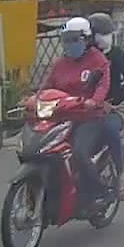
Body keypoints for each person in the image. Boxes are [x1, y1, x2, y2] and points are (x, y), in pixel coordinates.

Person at [42, 17, 111, 201]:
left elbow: (102, 85)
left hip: (89, 118)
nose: (69, 44)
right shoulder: (60, 64)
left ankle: (97, 192)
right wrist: (33, 99)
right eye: (66, 40)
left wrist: (93, 101)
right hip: (61, 117)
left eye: (74, 39)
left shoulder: (98, 60)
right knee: (41, 151)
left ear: (87, 39)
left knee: (80, 153)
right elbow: (47, 87)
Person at [87, 13, 124, 200]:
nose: (104, 38)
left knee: (109, 129)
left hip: (111, 109)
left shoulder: (116, 54)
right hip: (85, 108)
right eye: (101, 33)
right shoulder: (86, 55)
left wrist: (114, 102)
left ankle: (121, 174)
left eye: (107, 33)